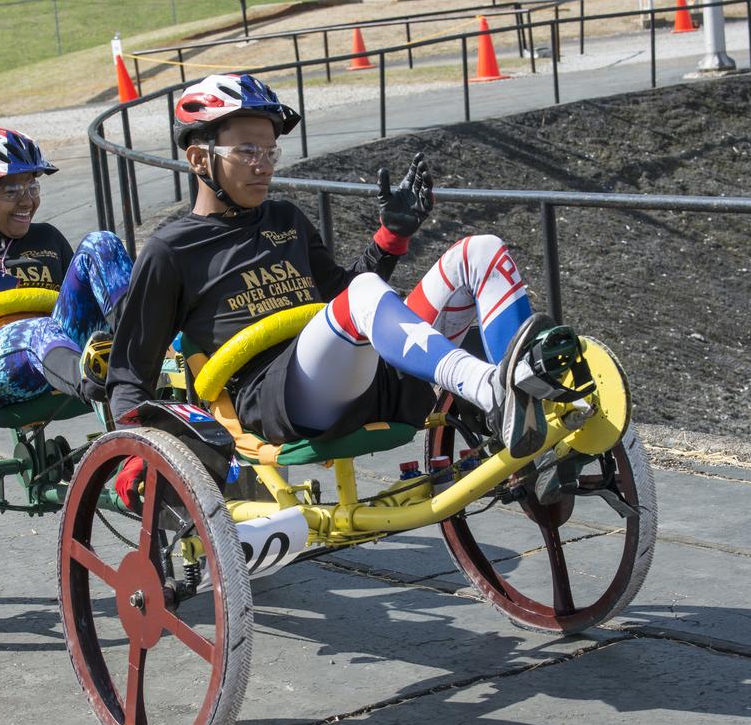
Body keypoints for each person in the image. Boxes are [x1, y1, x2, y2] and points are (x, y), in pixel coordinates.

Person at [107, 73, 551, 499]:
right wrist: (132, 450)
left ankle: (531, 394)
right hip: (276, 400)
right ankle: (491, 389)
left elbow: (343, 292)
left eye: (270, 151)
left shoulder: (287, 219)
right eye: (247, 151)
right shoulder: (171, 250)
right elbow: (130, 371)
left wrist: (391, 237)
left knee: (481, 249)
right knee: (361, 298)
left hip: (357, 376)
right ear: (200, 158)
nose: (263, 165)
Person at [0, 127, 133, 447]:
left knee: (101, 242)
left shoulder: (47, 237)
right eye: (11, 191)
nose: (27, 201)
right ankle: (96, 381)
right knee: (38, 330)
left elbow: (76, 304)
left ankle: (145, 350)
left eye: (32, 186)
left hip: (58, 347)